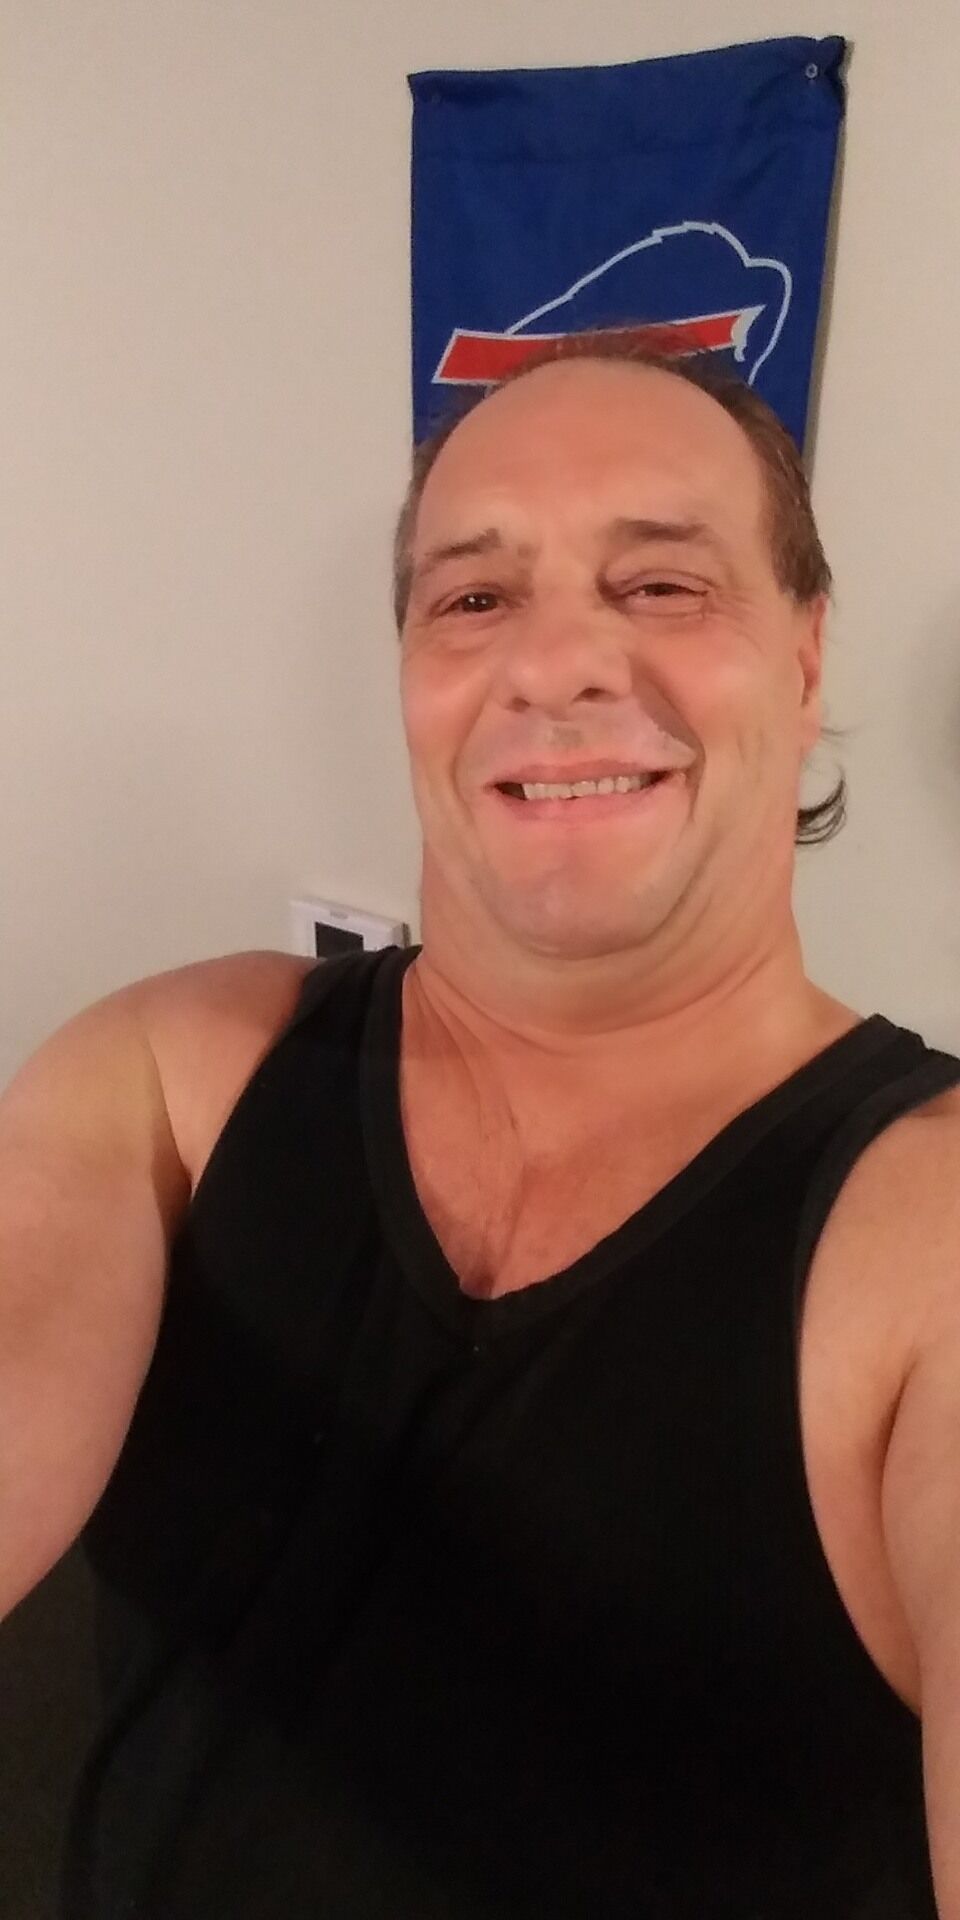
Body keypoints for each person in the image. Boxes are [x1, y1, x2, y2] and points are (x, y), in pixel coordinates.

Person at [2, 337, 960, 1920]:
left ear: (804, 666)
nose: (554, 663)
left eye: (662, 584)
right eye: (474, 597)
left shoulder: (927, 1227)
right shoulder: (178, 1078)